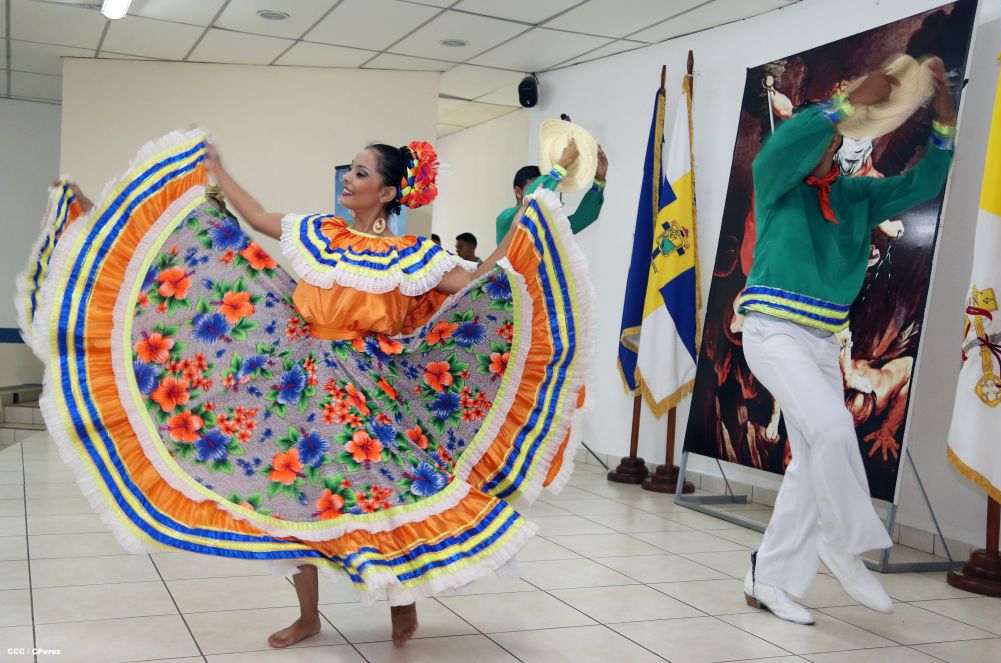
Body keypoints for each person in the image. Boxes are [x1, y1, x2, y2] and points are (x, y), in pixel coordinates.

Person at [27, 130, 594, 649]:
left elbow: (478, 284)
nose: (349, 178)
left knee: (386, 492)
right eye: (350, 170)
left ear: (390, 191)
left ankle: (403, 600)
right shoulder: (319, 232)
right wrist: (215, 169)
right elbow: (250, 217)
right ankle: (308, 615)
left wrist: (526, 223)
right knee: (293, 492)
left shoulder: (412, 257)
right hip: (299, 383)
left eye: (363, 173)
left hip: (370, 388)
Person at [737, 59, 956, 624]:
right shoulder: (778, 184)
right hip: (773, 331)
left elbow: (925, 182)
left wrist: (944, 120)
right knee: (833, 429)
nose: (827, 149)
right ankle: (845, 542)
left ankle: (770, 579)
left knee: (811, 459)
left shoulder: (855, 198)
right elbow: (781, 148)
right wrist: (845, 104)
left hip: (820, 342)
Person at [495, 144, 609, 244]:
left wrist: (599, 180)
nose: (544, 192)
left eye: (546, 189)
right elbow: (534, 196)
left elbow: (584, 217)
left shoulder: (549, 226)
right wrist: (563, 164)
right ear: (518, 192)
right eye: (538, 186)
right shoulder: (505, 219)